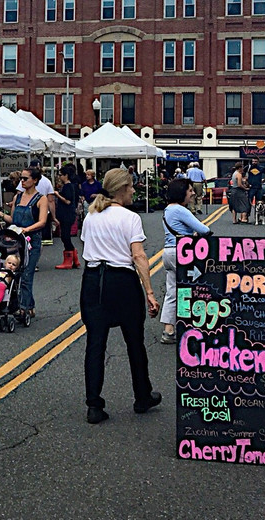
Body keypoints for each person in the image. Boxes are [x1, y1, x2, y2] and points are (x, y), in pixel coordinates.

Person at [79, 167, 161, 424]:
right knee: (134, 341)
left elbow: (87, 246)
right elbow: (138, 256)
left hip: (93, 280)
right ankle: (142, 395)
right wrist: (149, 291)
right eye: (132, 187)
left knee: (95, 342)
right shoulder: (130, 218)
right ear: (122, 189)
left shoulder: (91, 216)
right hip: (122, 281)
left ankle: (94, 404)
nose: (134, 190)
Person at [0, 167, 50, 321]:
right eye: (21, 179)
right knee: (14, 274)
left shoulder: (41, 199)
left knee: (26, 274)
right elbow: (12, 220)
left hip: (32, 241)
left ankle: (23, 308)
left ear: (35, 180)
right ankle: (26, 305)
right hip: (16, 240)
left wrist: (27, 229)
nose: (22, 182)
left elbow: (43, 221)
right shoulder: (17, 197)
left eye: (25, 179)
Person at [159, 179, 211, 343]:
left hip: (168, 251)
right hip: (183, 252)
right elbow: (204, 230)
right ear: (181, 192)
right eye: (190, 190)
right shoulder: (180, 210)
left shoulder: (168, 209)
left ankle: (169, 330)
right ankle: (192, 326)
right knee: (192, 288)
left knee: (172, 291)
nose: (193, 193)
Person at [54, 166, 79, 269]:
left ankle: (69, 259)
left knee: (65, 236)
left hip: (67, 215)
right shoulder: (67, 186)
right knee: (65, 236)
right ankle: (73, 257)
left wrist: (57, 195)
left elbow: (68, 201)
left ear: (66, 175)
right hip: (66, 215)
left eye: (61, 175)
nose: (59, 177)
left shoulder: (68, 186)